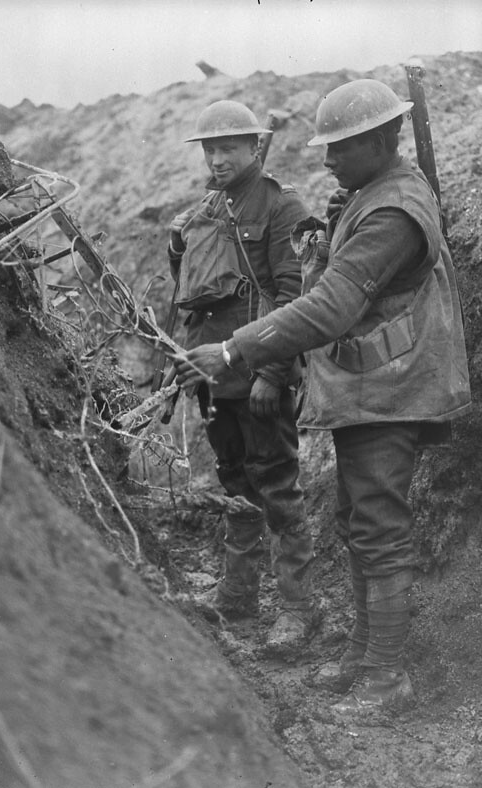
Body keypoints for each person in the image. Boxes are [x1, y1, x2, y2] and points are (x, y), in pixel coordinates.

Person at [174, 79, 471, 714]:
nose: (327, 159)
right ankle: (365, 656)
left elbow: (333, 304)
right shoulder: (373, 194)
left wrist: (235, 350)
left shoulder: (391, 212)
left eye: (339, 147)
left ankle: (387, 679)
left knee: (380, 532)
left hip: (391, 389)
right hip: (372, 387)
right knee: (359, 524)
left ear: (379, 141)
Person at [167, 99, 321, 654]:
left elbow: (294, 295)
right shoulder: (209, 209)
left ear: (255, 147)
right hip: (215, 378)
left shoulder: (283, 207)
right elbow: (195, 296)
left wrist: (274, 374)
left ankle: (298, 609)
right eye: (210, 148)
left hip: (257, 377)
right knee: (235, 484)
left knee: (277, 488)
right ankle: (238, 597)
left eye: (228, 147)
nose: (216, 158)